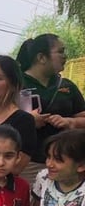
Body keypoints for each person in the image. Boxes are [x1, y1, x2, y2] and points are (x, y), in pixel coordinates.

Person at [16, 34, 85, 184]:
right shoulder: (15, 83)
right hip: (27, 163)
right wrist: (27, 120)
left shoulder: (67, 85)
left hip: (66, 164)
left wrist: (70, 122)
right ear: (41, 57)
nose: (65, 56)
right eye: (60, 52)